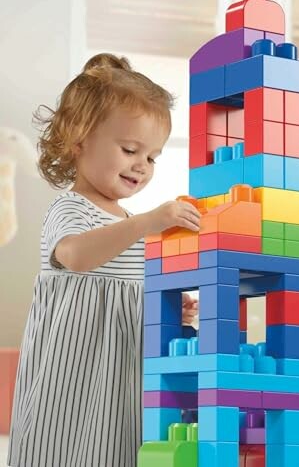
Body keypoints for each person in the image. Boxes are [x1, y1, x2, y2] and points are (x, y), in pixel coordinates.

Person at [7, 53, 201, 467]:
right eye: (131, 149)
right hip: (74, 370)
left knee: (116, 446)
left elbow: (128, 284)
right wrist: (149, 223)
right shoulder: (71, 208)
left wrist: (166, 305)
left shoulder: (129, 222)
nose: (142, 166)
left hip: (121, 372)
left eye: (152, 157)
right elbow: (75, 255)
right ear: (79, 140)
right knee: (65, 445)